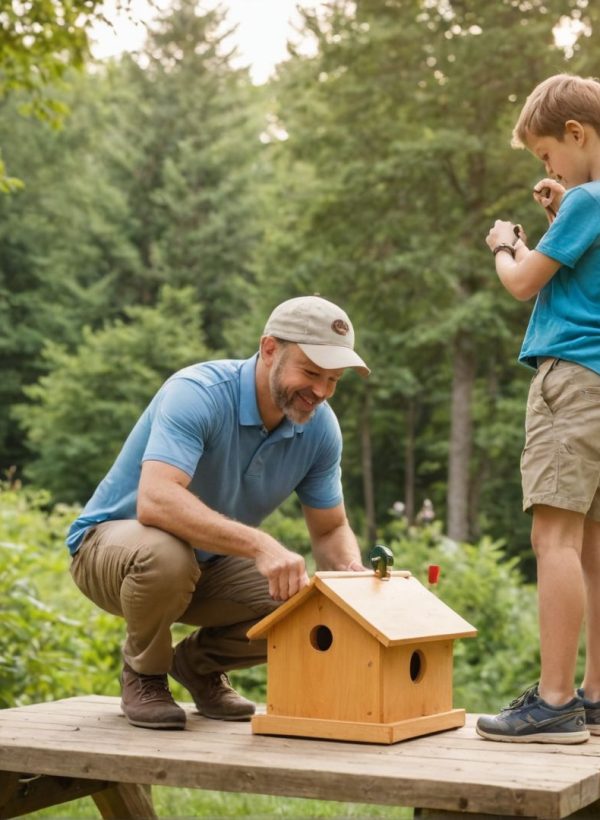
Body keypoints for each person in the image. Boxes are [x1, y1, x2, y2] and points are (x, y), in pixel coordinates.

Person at [66, 295, 369, 730]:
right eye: (310, 372)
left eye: (333, 379)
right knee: (165, 553)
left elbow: (330, 529)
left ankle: (198, 665)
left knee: (309, 606)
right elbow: (156, 500)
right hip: (111, 551)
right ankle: (144, 674)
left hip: (204, 562)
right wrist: (260, 544)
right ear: (269, 350)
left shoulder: (319, 428)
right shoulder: (198, 393)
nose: (321, 391)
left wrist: (351, 579)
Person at [476, 74, 600, 744]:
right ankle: (594, 697)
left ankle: (554, 703)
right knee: (595, 549)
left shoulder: (589, 201)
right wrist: (564, 209)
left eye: (548, 154)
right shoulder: (590, 203)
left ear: (577, 135)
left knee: (554, 539)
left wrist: (506, 243)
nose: (546, 169)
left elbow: (525, 283)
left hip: (573, 381)